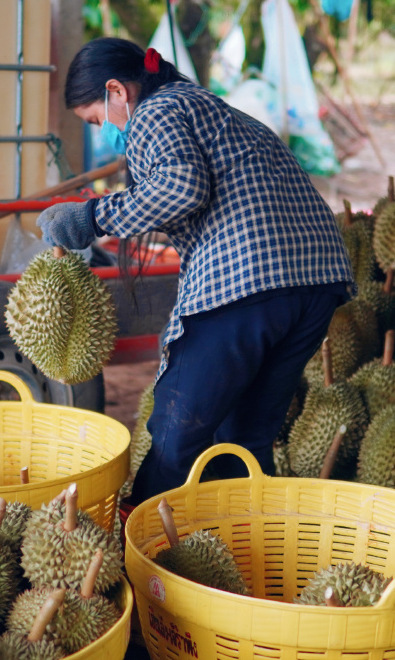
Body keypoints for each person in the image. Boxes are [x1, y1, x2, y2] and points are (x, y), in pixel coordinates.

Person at [37, 38, 354, 503]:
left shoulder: (155, 112)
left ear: (117, 92)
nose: (102, 130)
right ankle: (239, 552)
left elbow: (182, 186)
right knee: (243, 438)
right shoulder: (206, 106)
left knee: (174, 433)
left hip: (248, 281)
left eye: (95, 119)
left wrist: (91, 217)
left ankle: (140, 548)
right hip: (315, 282)